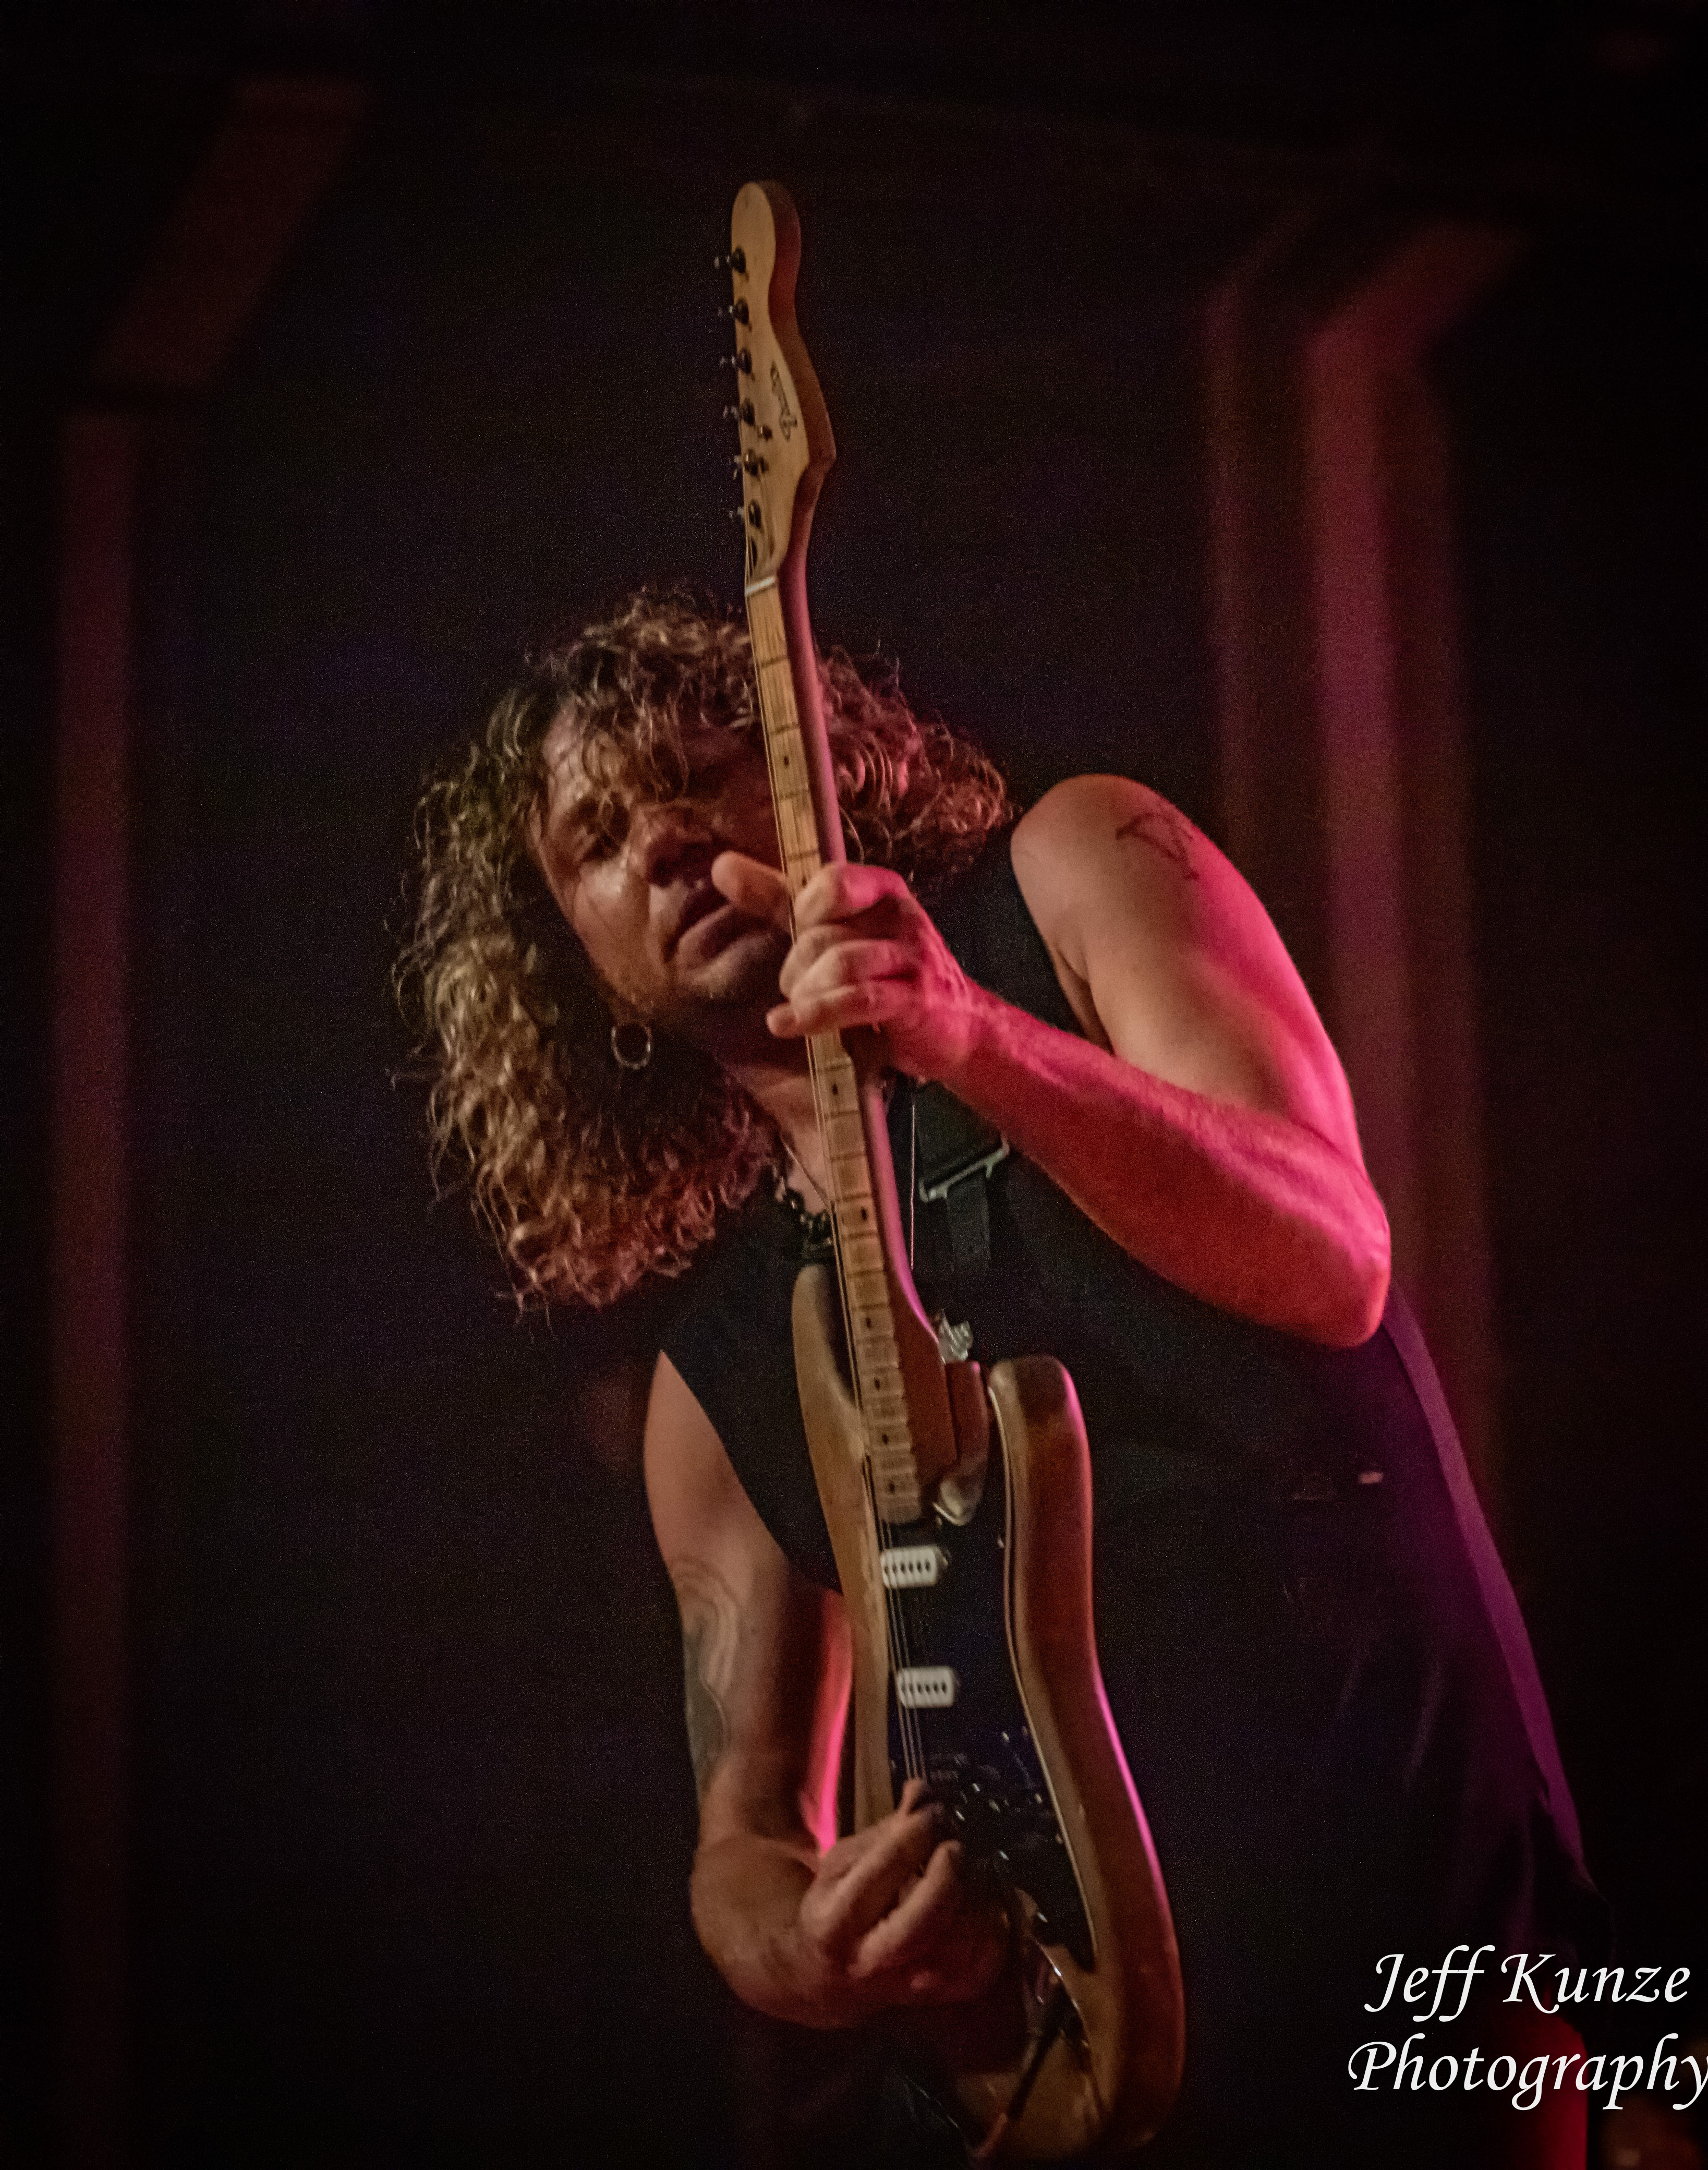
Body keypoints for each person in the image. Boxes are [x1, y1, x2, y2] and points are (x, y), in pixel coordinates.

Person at [402, 591, 1605, 2166]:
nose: (667, 842)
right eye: (597, 839)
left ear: (817, 759)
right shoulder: (716, 1380)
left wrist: (967, 1036)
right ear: (573, 953)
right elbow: (742, 1840)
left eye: (697, 771)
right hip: (1078, 2076)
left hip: (1421, 1942)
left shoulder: (1074, 869)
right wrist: (808, 1945)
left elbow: (1336, 1259)